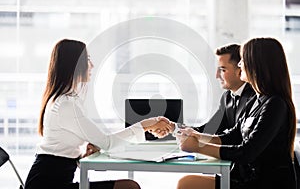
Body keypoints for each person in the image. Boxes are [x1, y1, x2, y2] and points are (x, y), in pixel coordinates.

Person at [24, 39, 173, 189]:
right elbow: (107, 143)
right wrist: (147, 124)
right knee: (129, 187)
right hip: (46, 185)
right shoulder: (65, 105)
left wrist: (82, 156)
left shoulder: (64, 101)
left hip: (50, 181)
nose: (92, 65)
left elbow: (61, 154)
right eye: (87, 59)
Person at [177, 37, 297, 189]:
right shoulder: (257, 100)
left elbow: (247, 152)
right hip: (245, 178)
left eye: (243, 60)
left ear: (256, 65)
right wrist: (198, 136)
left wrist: (198, 147)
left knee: (187, 183)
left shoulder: (275, 104)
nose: (240, 64)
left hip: (264, 183)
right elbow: (232, 136)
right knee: (187, 182)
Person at [193, 44, 255, 135]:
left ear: (240, 70)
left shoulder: (256, 98)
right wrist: (174, 127)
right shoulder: (227, 97)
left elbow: (238, 137)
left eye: (222, 70)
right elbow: (210, 129)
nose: (217, 76)